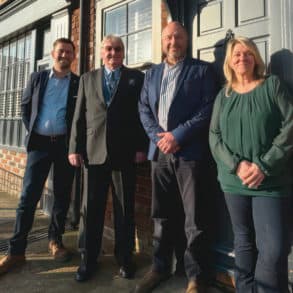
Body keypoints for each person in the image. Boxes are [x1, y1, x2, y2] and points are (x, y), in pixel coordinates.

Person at [135, 21, 218, 293]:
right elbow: (144, 109)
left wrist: (177, 136)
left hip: (190, 153)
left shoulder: (202, 70)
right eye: (169, 37)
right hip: (159, 153)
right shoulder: (151, 74)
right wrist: (160, 137)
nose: (174, 41)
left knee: (195, 218)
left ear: (186, 40)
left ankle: (197, 277)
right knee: (161, 215)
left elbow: (208, 109)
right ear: (162, 41)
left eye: (179, 37)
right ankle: (159, 267)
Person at [209, 36, 293, 293]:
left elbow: (290, 126)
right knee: (243, 242)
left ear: (255, 57)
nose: (242, 58)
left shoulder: (272, 85)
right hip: (234, 182)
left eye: (247, 53)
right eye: (236, 55)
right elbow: (214, 136)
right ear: (230, 62)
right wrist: (237, 166)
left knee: (274, 248)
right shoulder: (224, 95)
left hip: (271, 181)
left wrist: (264, 166)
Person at [68, 35, 147, 282]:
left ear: (124, 52)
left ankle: (125, 259)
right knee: (91, 210)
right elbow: (79, 116)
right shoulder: (87, 79)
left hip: (125, 155)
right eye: (109, 49)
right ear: (101, 53)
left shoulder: (137, 78)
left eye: (118, 49)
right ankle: (88, 260)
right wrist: (74, 148)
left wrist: (141, 147)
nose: (113, 53)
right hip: (93, 154)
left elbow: (142, 116)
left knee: (125, 210)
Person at [0, 38, 79, 274]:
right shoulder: (38, 78)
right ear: (52, 54)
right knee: (28, 196)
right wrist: (36, 131)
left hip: (65, 145)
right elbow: (25, 108)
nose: (64, 55)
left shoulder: (78, 82)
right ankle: (16, 252)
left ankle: (55, 241)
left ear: (73, 56)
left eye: (68, 51)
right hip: (40, 145)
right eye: (60, 51)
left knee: (62, 195)